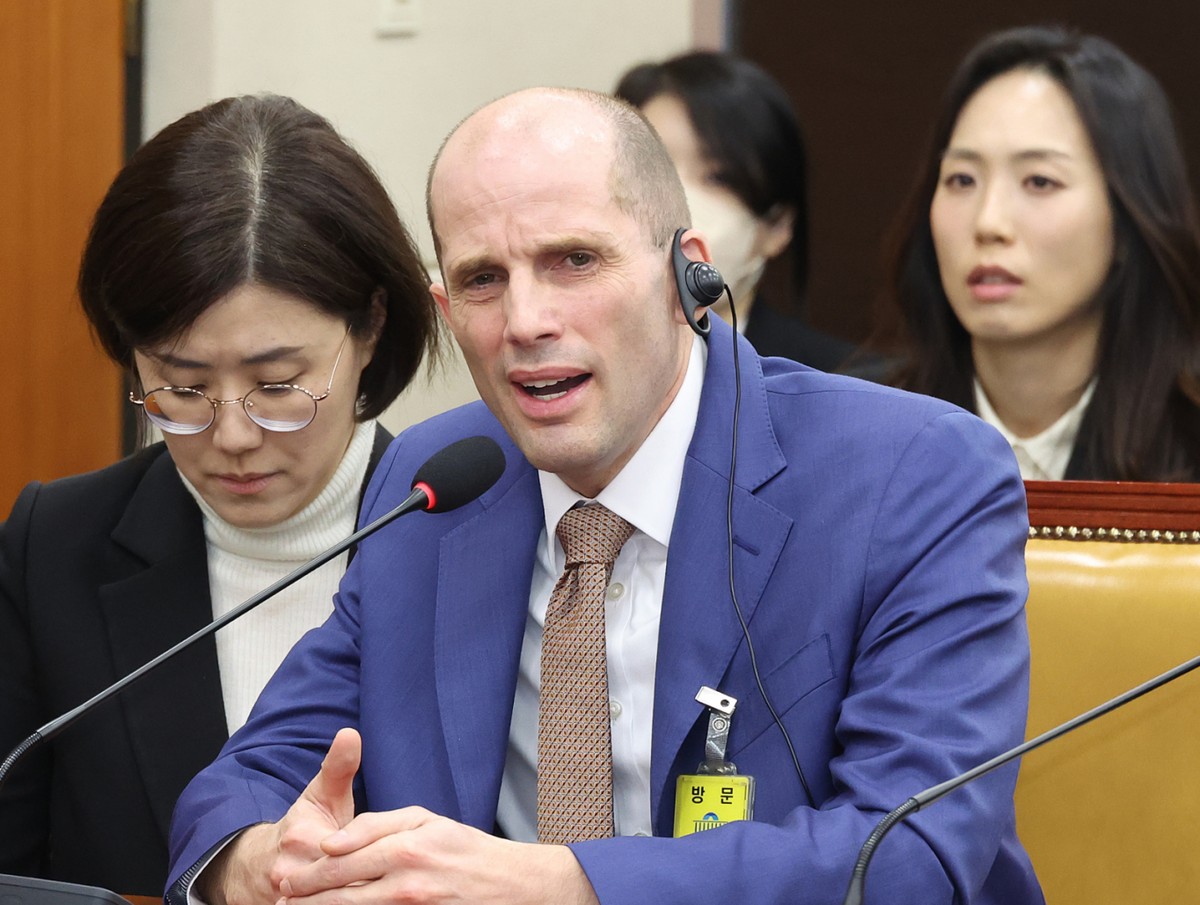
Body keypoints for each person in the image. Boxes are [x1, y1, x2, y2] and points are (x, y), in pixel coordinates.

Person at [167, 88, 1041, 904]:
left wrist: (559, 885)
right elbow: (252, 775)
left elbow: (914, 852)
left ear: (687, 278)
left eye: (574, 261)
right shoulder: (438, 480)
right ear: (447, 309)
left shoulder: (913, 472)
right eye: (482, 280)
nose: (525, 321)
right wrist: (261, 859)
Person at [0, 94, 438, 895]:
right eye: (181, 387)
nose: (232, 434)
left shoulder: (470, 531)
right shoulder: (54, 545)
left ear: (371, 327)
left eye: (277, 384)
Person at [885, 25, 1200, 481]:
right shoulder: (860, 428)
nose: (989, 223)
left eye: (1039, 181)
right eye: (962, 179)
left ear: (1127, 221)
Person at [615, 51, 860, 372]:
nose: (678, 199)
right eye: (654, 167)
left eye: (718, 178)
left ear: (778, 226)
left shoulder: (838, 379)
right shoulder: (565, 360)